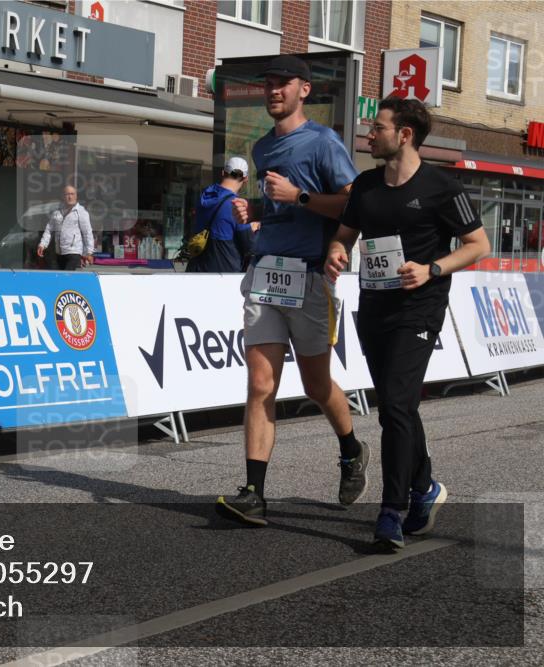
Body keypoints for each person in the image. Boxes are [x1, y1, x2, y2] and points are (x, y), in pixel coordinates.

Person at [325, 98, 489, 549]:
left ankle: (391, 511)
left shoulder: (441, 187)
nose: (368, 135)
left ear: (405, 135)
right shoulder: (365, 186)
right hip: (374, 306)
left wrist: (432, 269)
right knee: (399, 406)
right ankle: (426, 486)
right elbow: (344, 236)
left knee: (396, 407)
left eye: (376, 128)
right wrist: (336, 253)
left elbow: (478, 244)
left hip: (419, 308)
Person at [216, 55, 368, 526]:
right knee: (261, 383)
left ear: (305, 89)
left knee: (316, 384)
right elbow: (280, 207)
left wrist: (298, 198)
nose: (273, 91)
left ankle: (351, 448)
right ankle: (254, 493)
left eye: (282, 84)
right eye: (268, 84)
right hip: (265, 273)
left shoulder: (322, 142)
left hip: (307, 277)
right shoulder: (262, 148)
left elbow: (353, 203)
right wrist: (257, 214)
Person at [186, 156, 261, 273]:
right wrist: (255, 228)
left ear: (223, 173)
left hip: (197, 272)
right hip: (223, 275)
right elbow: (250, 245)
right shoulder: (236, 205)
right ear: (245, 179)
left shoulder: (204, 197)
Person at [37, 185, 94, 270]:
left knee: (68, 278)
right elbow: (49, 229)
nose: (70, 197)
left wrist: (89, 252)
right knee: (59, 279)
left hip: (74, 252)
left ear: (76, 196)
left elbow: (87, 233)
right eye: (67, 194)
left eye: (72, 194)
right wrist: (42, 244)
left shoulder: (81, 212)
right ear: (62, 196)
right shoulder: (57, 212)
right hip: (59, 253)